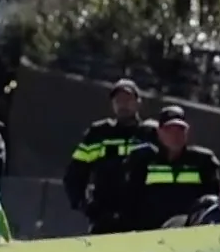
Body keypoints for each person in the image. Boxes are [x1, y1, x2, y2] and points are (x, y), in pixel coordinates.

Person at [105, 106, 220, 231]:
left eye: (180, 130)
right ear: (159, 132)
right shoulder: (143, 161)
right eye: (170, 130)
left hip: (187, 235)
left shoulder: (203, 162)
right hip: (148, 234)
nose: (175, 135)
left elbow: (211, 203)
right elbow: (128, 202)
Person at [66, 79, 154, 233]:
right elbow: (75, 173)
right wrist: (85, 205)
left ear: (139, 102)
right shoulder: (99, 134)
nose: (122, 104)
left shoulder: (151, 134)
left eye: (127, 99)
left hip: (143, 220)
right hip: (105, 218)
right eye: (118, 100)